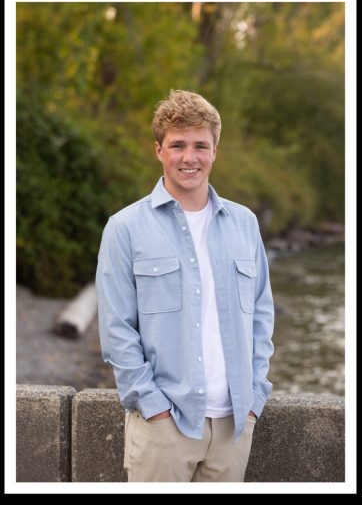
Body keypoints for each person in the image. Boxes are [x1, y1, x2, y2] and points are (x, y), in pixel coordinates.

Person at [96, 89, 274, 482]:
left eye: (200, 145)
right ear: (159, 149)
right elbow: (116, 329)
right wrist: (152, 405)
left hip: (233, 426)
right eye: (177, 145)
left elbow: (262, 312)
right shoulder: (125, 228)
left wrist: (255, 395)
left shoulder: (244, 223)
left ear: (215, 151)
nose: (189, 157)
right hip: (164, 424)